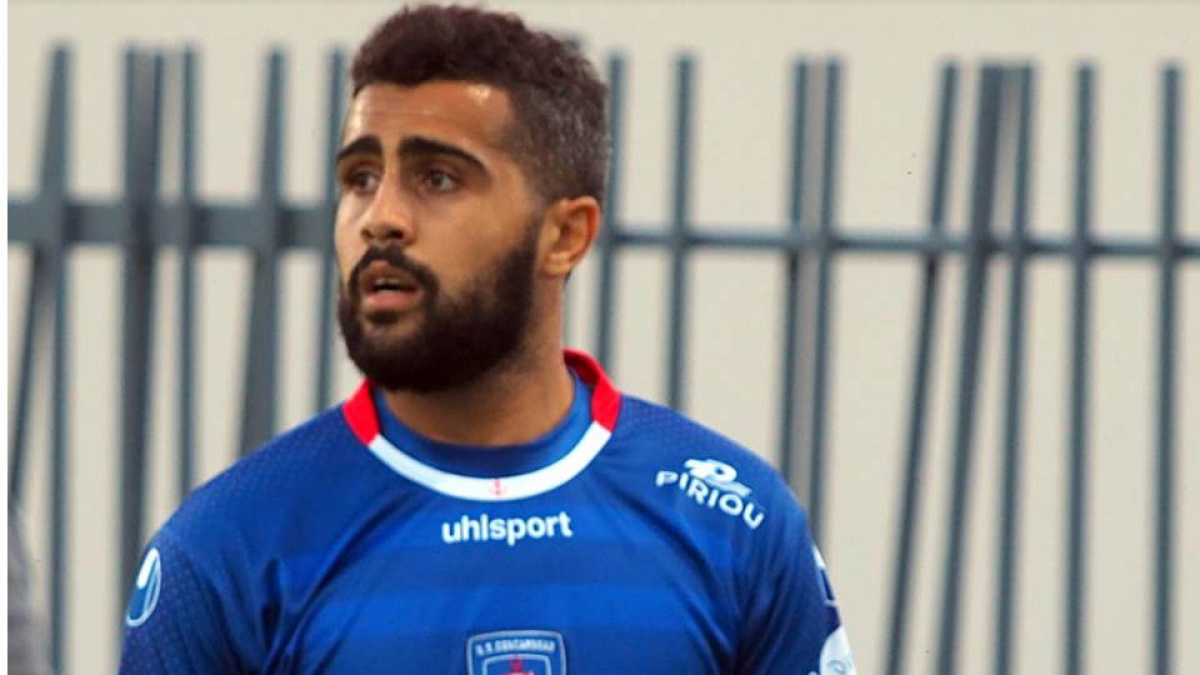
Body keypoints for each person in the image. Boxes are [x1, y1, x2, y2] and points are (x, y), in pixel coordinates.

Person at [119, 5, 856, 673]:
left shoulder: (734, 524)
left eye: (438, 178)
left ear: (565, 236)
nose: (380, 218)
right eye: (361, 177)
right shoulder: (225, 549)